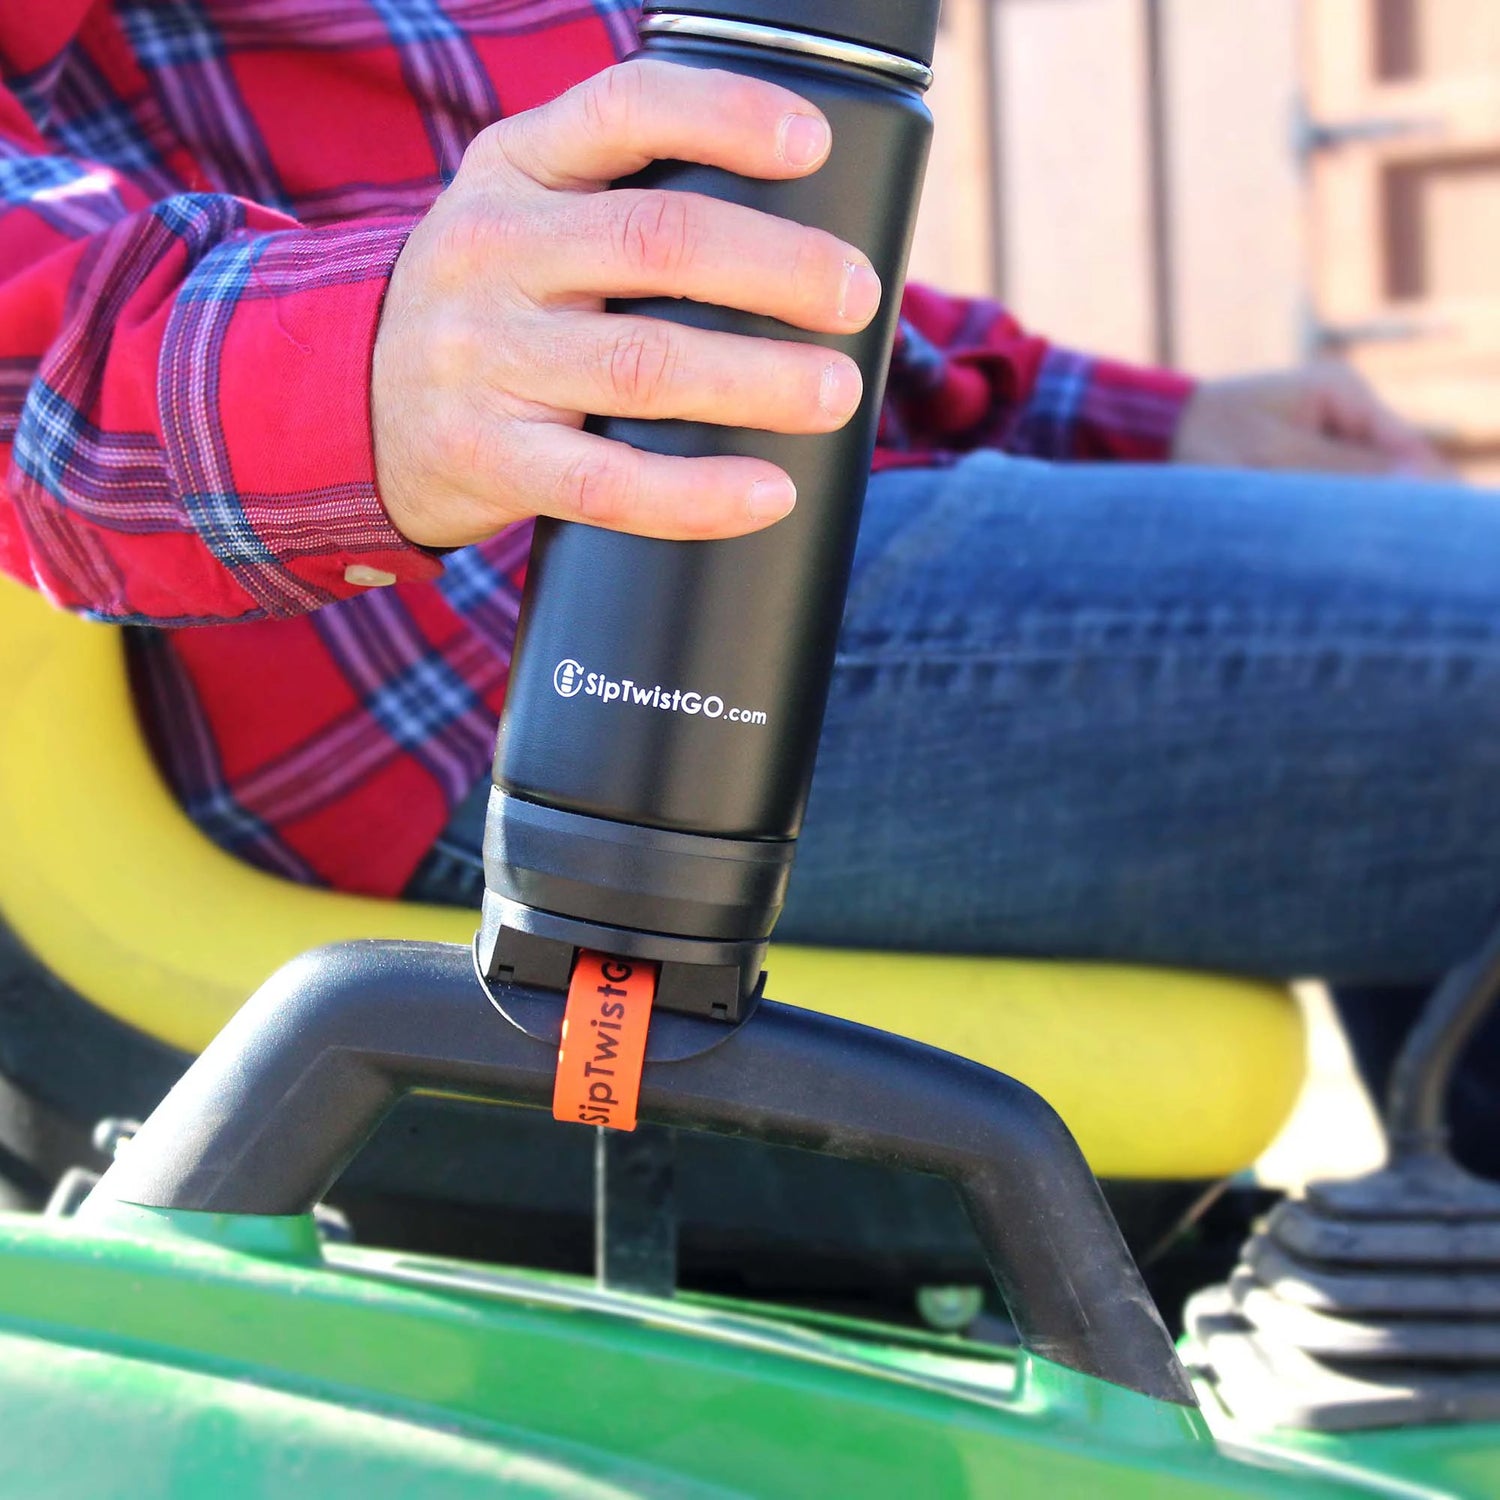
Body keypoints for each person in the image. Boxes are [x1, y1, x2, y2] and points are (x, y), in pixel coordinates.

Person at [4, 7, 1499, 1169]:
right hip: (514, 688)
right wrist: (374, 367)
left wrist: (1133, 421)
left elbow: (691, 275)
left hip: (765, 556)